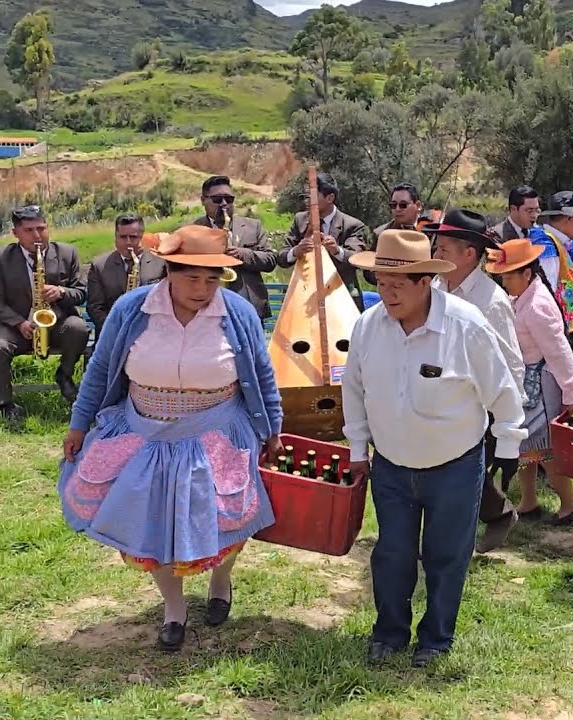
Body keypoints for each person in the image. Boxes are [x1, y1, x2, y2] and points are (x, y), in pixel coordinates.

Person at [57, 225, 282, 652]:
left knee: (228, 518)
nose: (202, 289)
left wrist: (273, 429)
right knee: (153, 526)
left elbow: (262, 375)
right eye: (191, 277)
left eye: (212, 279)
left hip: (217, 431)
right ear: (168, 272)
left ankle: (221, 580)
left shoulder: (238, 313)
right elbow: (101, 370)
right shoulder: (132, 310)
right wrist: (78, 423)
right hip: (146, 433)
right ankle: (174, 609)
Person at [341, 230, 524, 668]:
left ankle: (436, 639)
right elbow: (354, 389)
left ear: (425, 282)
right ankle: (388, 634)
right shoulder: (368, 326)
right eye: (381, 283)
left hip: (455, 464)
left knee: (447, 555)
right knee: (392, 553)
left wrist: (509, 442)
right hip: (391, 464)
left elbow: (501, 387)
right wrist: (357, 449)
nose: (387, 294)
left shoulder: (466, 326)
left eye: (397, 285)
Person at [425, 209, 525, 552]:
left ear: (469, 254)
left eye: (443, 249)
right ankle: (495, 515)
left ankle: (451, 544)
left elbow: (512, 363)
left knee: (459, 473)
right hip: (438, 395)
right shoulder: (435, 287)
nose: (436, 254)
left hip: (478, 403)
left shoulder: (491, 301)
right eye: (436, 247)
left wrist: (507, 419)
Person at [487, 238, 573, 525]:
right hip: (530, 382)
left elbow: (559, 352)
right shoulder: (524, 298)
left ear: (526, 274)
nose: (504, 282)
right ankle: (529, 500)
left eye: (509, 277)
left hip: (544, 385)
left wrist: (570, 393)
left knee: (545, 449)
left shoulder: (537, 306)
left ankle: (570, 504)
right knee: (526, 444)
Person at [0, 205, 89, 420]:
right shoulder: (0, 256)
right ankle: (5, 405)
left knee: (78, 328)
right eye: (29, 230)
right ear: (15, 233)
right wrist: (19, 323)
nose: (37, 235)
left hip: (57, 324)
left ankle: (64, 375)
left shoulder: (67, 253)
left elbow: (81, 292)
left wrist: (61, 292)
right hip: (16, 326)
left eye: (41, 228)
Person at [530, 190, 573, 386]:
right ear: (569, 217)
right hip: (558, 336)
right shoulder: (546, 245)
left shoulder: (561, 244)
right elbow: (547, 294)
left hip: (570, 332)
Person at [189, 176, 277, 322]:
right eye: (217, 199)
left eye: (229, 199)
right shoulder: (192, 230)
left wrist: (243, 254)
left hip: (249, 309)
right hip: (205, 310)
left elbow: (271, 260)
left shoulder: (253, 226)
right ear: (203, 200)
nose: (224, 204)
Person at [277, 172, 370, 305]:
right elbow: (281, 257)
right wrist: (296, 251)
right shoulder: (300, 220)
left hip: (341, 299)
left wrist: (336, 250)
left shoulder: (352, 225)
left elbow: (356, 259)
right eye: (306, 197)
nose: (308, 201)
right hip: (305, 299)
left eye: (312, 197)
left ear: (330, 198)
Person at [87, 214, 166, 332]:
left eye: (133, 237)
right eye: (123, 237)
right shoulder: (99, 266)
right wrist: (114, 329)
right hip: (112, 332)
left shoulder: (161, 263)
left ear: (142, 236)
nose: (128, 242)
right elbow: (95, 307)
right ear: (115, 237)